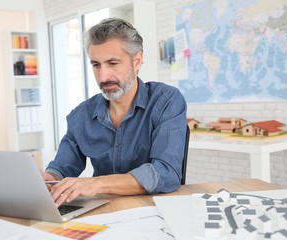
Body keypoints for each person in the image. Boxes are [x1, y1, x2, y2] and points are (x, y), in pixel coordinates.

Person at [42, 18, 187, 207]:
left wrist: (97, 183)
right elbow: (62, 167)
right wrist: (48, 179)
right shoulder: (81, 116)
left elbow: (166, 172)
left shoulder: (167, 101)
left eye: (112, 63)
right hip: (106, 212)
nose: (103, 77)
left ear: (137, 61)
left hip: (157, 211)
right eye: (96, 65)